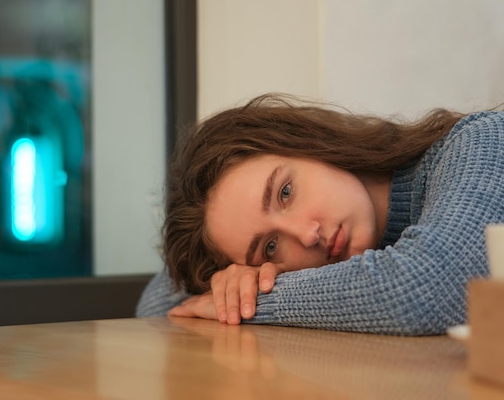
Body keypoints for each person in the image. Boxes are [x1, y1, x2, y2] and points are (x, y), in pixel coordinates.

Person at [135, 93, 504, 335]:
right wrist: (230, 283)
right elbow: (155, 307)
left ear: (308, 144)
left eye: (285, 192)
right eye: (270, 247)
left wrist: (251, 302)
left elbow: (425, 289)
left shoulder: (478, 142)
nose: (307, 235)